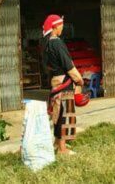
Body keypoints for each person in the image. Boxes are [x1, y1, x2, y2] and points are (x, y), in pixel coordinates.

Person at [42, 15, 84, 155]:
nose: (62, 27)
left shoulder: (46, 43)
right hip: (64, 83)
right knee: (64, 115)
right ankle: (62, 148)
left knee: (57, 113)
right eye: (60, 25)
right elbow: (68, 64)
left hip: (55, 81)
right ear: (54, 27)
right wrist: (79, 79)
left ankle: (56, 143)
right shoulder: (57, 43)